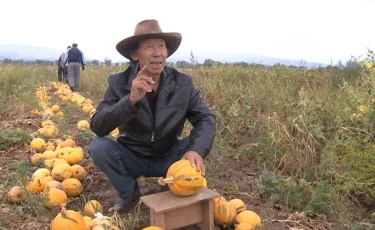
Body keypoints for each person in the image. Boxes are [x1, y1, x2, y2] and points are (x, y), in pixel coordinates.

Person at [88, 19, 216, 213]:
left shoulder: (183, 83)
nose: (157, 52)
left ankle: (173, 183)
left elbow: (206, 118)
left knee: (197, 142)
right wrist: (130, 100)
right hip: (132, 156)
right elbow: (98, 126)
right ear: (135, 54)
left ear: (166, 53)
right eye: (149, 46)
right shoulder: (118, 82)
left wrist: (196, 150)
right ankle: (129, 193)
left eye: (161, 46)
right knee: (99, 147)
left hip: (169, 156)